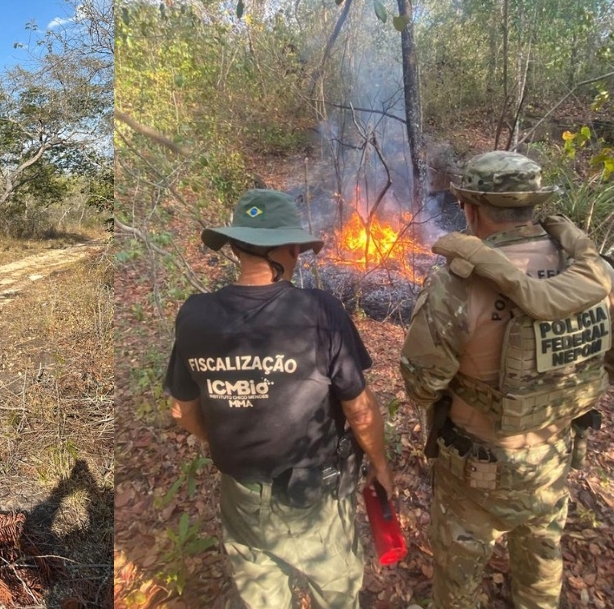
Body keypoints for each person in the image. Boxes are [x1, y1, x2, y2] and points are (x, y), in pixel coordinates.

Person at [400, 150, 614, 609]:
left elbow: (420, 386)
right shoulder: (595, 276)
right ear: (533, 204)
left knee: (459, 582)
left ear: (470, 208)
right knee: (541, 561)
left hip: (478, 474)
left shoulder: (457, 285)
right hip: (553, 458)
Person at [163, 188, 393, 609]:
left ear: (234, 247)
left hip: (243, 496)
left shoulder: (194, 314)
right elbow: (359, 411)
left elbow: (181, 409)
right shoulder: (320, 312)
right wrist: (379, 464)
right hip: (315, 502)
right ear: (287, 250)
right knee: (336, 594)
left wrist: (222, 446)